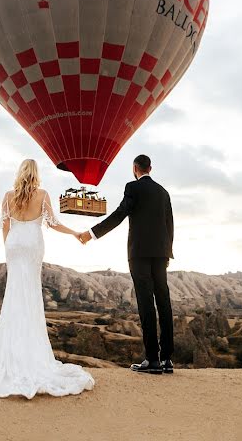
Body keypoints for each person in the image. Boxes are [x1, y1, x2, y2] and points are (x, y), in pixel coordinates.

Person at [0, 159, 95, 398]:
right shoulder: (43, 194)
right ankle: (30, 355)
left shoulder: (7, 195)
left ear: (20, 174)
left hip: (15, 244)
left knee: (14, 296)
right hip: (33, 243)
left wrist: (9, 247)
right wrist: (75, 232)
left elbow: (5, 225)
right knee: (31, 295)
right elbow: (53, 223)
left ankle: (9, 355)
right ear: (36, 175)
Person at [78, 154, 174, 374]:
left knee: (146, 303)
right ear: (151, 168)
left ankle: (152, 360)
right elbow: (170, 224)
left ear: (135, 168)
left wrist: (92, 233)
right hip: (161, 254)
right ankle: (167, 359)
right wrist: (167, 253)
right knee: (164, 302)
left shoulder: (133, 187)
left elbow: (120, 214)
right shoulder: (163, 192)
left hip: (139, 253)